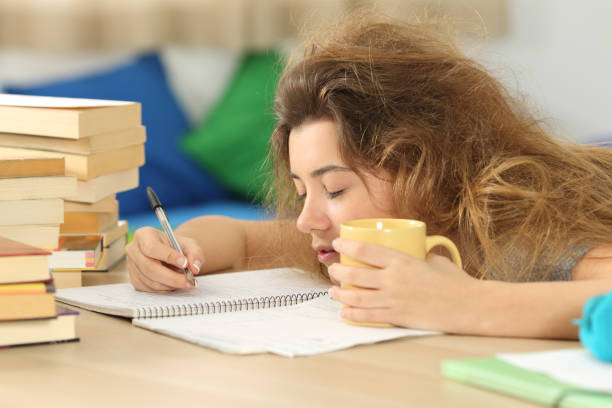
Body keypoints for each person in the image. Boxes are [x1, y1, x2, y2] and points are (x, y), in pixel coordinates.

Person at [126, 15, 612, 340]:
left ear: (423, 164)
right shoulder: (351, 239)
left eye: (334, 189)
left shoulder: (514, 220)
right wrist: (174, 248)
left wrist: (464, 303)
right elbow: (241, 239)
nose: (307, 219)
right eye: (301, 191)